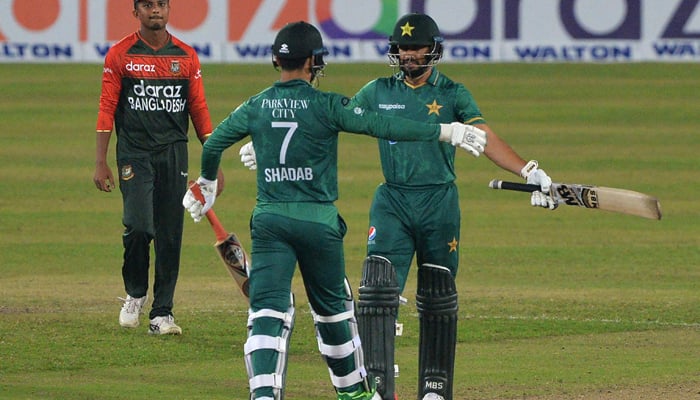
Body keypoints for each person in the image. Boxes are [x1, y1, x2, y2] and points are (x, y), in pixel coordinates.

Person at [237, 13, 557, 400]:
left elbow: (484, 137)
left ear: (433, 50)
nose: (408, 55)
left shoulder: (453, 94)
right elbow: (327, 118)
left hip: (439, 202)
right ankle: (377, 387)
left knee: (438, 292)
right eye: (403, 48)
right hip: (392, 201)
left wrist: (528, 170)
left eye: (416, 48)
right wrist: (266, 144)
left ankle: (435, 389)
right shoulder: (376, 91)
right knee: (376, 292)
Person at [182, 21, 485, 400]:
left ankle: (263, 395)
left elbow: (213, 146)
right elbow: (382, 124)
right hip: (318, 225)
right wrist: (445, 132)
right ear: (314, 62)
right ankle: (355, 393)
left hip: (271, 222)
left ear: (277, 60)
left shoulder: (256, 104)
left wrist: (208, 184)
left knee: (266, 312)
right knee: (334, 312)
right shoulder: (327, 105)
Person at [93, 0, 222, 335]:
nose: (156, 11)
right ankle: (136, 292)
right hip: (134, 153)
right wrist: (100, 161)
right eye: (148, 5)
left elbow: (199, 109)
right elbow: (107, 106)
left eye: (161, 4)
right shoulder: (120, 54)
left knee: (170, 234)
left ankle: (162, 314)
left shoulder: (186, 56)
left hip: (174, 153)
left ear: (169, 9)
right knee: (138, 226)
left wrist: (214, 161)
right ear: (135, 11)